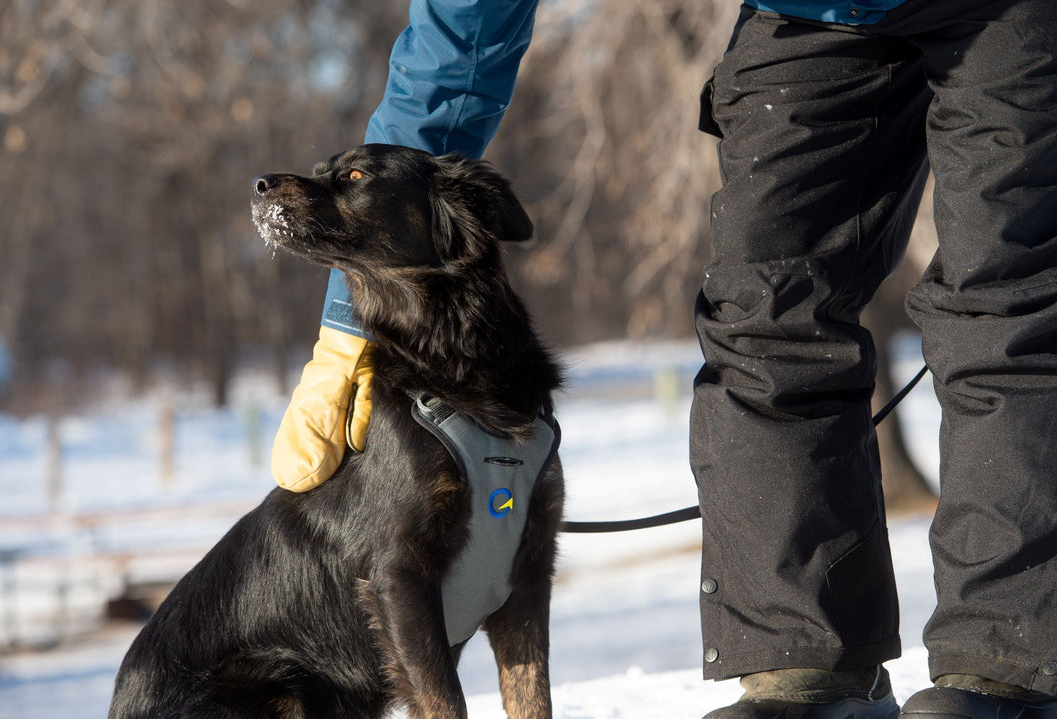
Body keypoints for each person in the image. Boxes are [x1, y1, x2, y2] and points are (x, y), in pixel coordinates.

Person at [270, 1, 1057, 718]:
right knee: (763, 315)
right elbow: (461, 35)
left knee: (1010, 304)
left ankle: (1012, 663)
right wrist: (352, 321)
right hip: (813, 15)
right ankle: (804, 670)